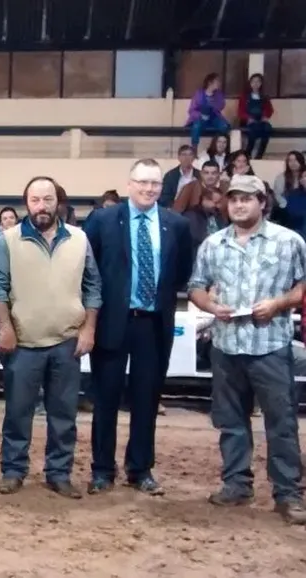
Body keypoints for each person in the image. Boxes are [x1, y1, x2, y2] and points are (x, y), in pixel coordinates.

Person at [187, 174, 306, 525]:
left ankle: (288, 494)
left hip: (270, 346)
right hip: (226, 346)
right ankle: (236, 484)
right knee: (230, 421)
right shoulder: (212, 244)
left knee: (281, 423)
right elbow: (196, 287)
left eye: (247, 198)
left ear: (262, 203)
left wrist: (280, 302)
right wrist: (210, 306)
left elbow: (302, 287)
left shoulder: (289, 242)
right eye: (234, 198)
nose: (239, 204)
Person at [83, 158, 194, 496]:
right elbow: (88, 270)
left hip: (153, 325)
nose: (148, 189)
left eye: (155, 184)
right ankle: (102, 470)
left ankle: (140, 469)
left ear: (162, 188)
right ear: (129, 184)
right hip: (113, 323)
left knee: (146, 400)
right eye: (142, 182)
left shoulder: (177, 225)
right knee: (105, 400)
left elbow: (181, 272)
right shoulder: (102, 220)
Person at [0, 176, 101, 499]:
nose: (42, 206)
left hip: (67, 343)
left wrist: (89, 329)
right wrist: (5, 328)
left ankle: (59, 472)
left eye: (47, 199)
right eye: (35, 200)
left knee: (64, 414)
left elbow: (94, 287)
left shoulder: (80, 239)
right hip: (22, 343)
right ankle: (13, 470)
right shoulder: (7, 241)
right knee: (17, 412)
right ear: (27, 203)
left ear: (57, 202)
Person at [186, 73, 230, 148]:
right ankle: (194, 148)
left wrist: (213, 104)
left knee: (224, 126)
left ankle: (218, 147)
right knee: (196, 126)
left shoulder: (219, 94)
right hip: (200, 117)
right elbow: (191, 110)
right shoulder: (199, 93)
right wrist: (200, 115)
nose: (219, 83)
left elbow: (221, 106)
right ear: (210, 82)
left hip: (214, 117)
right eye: (217, 81)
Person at [237, 73, 274, 160]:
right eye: (253, 82)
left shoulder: (264, 97)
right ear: (250, 83)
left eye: (258, 82)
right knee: (253, 131)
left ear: (261, 84)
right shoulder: (244, 97)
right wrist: (248, 118)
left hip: (261, 120)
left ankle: (259, 155)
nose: (255, 84)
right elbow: (240, 111)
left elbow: (269, 110)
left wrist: (265, 116)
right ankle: (248, 154)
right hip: (248, 121)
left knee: (268, 129)